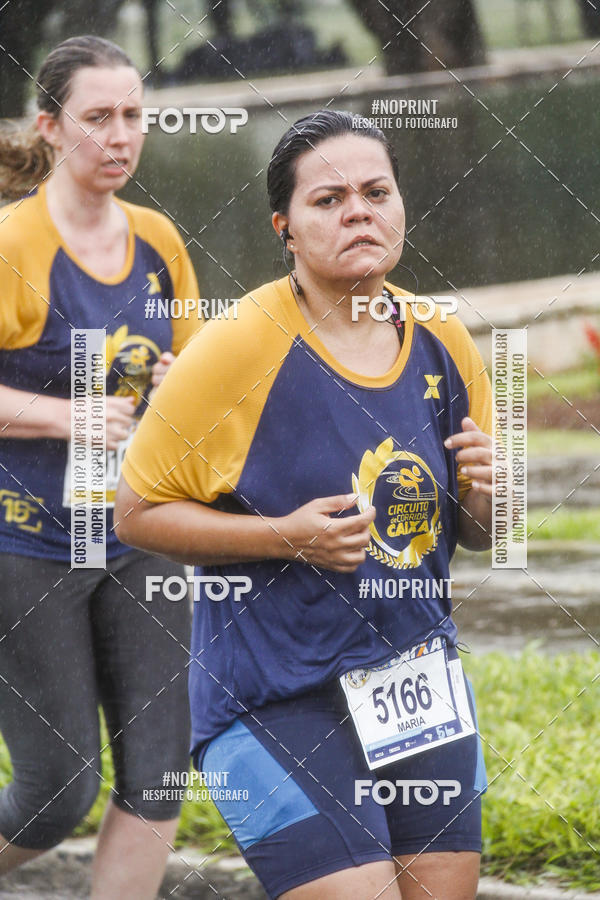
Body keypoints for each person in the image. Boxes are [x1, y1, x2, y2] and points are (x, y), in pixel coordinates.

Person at [115, 109, 494, 900]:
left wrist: (490, 496)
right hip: (272, 698)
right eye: (329, 200)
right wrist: (286, 537)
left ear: (400, 207)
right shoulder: (239, 346)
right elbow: (137, 513)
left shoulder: (442, 339)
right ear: (284, 227)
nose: (358, 210)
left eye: (375, 192)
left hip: (414, 680)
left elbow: (480, 532)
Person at [0, 35, 201, 898]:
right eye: (97, 118)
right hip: (29, 543)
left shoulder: (158, 240)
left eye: (133, 116)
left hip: (139, 533)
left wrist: (174, 384)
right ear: (50, 127)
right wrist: (64, 415)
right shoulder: (15, 243)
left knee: (159, 777)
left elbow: (199, 377)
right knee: (57, 790)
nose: (120, 136)